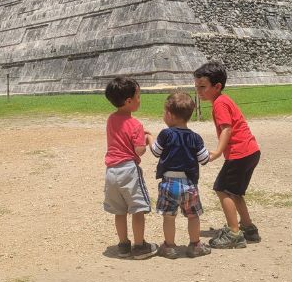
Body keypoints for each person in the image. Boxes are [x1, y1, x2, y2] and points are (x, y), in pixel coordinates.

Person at [194, 61, 261, 249]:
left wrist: (217, 152)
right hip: (251, 151)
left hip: (240, 153)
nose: (199, 91)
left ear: (217, 87)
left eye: (202, 87)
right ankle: (248, 228)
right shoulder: (224, 100)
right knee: (235, 192)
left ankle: (234, 232)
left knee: (222, 188)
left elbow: (226, 129)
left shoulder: (219, 104)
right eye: (197, 87)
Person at [145, 92, 212, 259]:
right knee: (193, 216)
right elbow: (204, 159)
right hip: (189, 184)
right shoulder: (195, 137)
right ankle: (195, 245)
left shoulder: (166, 134)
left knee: (169, 217)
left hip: (168, 183)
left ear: (169, 114)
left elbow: (156, 152)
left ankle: (169, 246)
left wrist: (149, 138)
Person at [103, 76, 159, 259]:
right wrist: (147, 138)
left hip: (111, 171)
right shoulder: (136, 124)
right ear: (129, 101)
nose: (139, 100)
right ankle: (140, 246)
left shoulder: (111, 119)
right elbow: (139, 150)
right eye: (138, 97)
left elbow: (120, 135)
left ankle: (123, 246)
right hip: (129, 170)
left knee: (119, 211)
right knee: (137, 209)